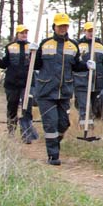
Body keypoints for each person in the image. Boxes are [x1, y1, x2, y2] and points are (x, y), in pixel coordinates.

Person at [33, 12, 87, 166]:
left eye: (65, 25)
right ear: (54, 27)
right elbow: (35, 65)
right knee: (51, 124)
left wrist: (87, 66)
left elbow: (76, 66)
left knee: (63, 124)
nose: (63, 28)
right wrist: (32, 54)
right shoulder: (45, 44)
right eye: (60, 25)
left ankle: (55, 142)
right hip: (46, 92)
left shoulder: (73, 45)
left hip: (64, 92)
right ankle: (53, 155)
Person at [0, 24, 36, 143]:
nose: (24, 35)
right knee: (12, 107)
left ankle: (26, 134)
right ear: (17, 34)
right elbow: (4, 64)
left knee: (26, 108)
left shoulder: (32, 47)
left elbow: (37, 64)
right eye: (22, 33)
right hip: (12, 83)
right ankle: (11, 131)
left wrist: (36, 52)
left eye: (26, 33)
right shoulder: (10, 47)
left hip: (27, 83)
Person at [74, 21, 103, 132]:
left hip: (97, 81)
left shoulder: (100, 45)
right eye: (89, 31)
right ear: (84, 31)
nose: (91, 33)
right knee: (85, 106)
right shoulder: (78, 45)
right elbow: (74, 62)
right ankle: (85, 130)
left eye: (93, 31)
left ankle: (89, 124)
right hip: (82, 80)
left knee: (93, 106)